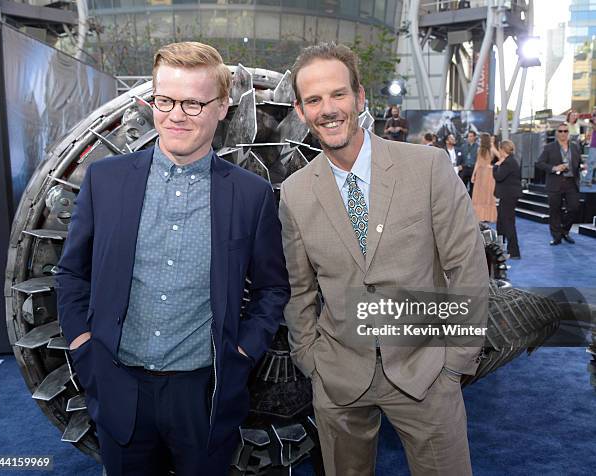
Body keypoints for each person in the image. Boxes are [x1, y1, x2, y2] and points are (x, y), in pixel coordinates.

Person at [55, 41, 290, 476]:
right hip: (117, 384)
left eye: (194, 103)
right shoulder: (105, 182)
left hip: (203, 394)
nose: (176, 115)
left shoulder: (250, 195)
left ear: (222, 107)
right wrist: (83, 346)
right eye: (165, 100)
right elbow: (72, 273)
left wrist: (242, 353)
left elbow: (272, 287)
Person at [280, 42, 489, 476]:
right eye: (314, 100)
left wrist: (455, 363)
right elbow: (298, 289)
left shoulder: (428, 168)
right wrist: (311, 362)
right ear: (300, 112)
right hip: (339, 379)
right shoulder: (296, 192)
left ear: (360, 98)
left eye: (338, 94)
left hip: (426, 372)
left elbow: (466, 268)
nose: (327, 109)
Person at [536, 122, 582, 245]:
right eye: (560, 131)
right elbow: (539, 163)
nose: (563, 133)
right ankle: (556, 236)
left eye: (565, 131)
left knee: (574, 207)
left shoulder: (575, 147)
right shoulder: (549, 147)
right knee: (554, 210)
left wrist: (581, 167)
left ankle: (565, 231)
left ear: (568, 133)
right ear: (557, 133)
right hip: (555, 183)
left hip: (571, 182)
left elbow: (578, 163)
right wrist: (554, 168)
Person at [493, 140, 523, 259]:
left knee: (508, 222)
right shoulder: (511, 160)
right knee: (501, 221)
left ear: (502, 149)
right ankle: (500, 246)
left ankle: (514, 251)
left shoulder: (508, 163)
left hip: (508, 196)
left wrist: (495, 167)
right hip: (508, 195)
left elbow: (498, 176)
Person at [471, 133, 497, 223]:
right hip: (482, 174)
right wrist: (473, 174)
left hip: (486, 173)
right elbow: (478, 162)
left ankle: (485, 216)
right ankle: (483, 217)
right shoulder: (481, 149)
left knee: (486, 194)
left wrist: (493, 166)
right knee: (482, 195)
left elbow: (501, 157)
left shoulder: (491, 148)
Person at [459, 130, 479, 194]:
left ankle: (471, 201)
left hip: (473, 169)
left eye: (471, 136)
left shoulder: (478, 147)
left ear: (474, 137)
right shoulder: (463, 146)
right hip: (465, 168)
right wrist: (460, 165)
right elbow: (460, 158)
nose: (469, 138)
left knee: (472, 187)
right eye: (468, 136)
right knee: (463, 187)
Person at [583, 109, 596, 187]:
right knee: (591, 162)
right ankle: (588, 180)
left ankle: (592, 179)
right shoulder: (592, 121)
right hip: (594, 145)